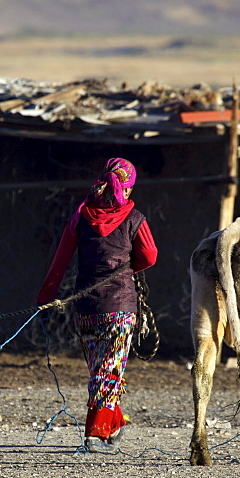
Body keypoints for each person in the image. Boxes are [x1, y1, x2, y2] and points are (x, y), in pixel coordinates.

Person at [35, 157, 158, 453]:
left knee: (102, 369)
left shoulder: (81, 216)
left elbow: (60, 262)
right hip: (120, 308)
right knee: (108, 370)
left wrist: (44, 298)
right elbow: (150, 256)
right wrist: (129, 267)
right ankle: (96, 431)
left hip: (86, 310)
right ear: (127, 188)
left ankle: (115, 424)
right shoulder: (135, 219)